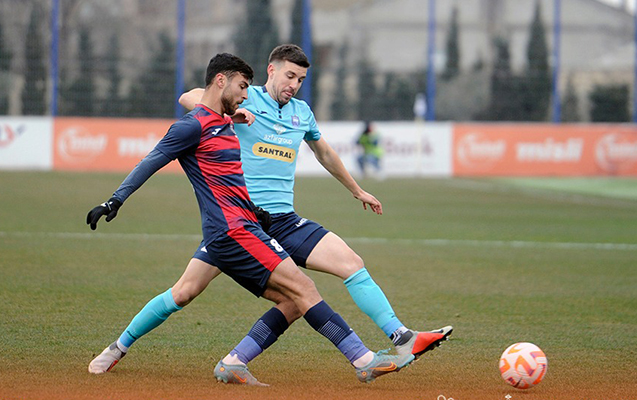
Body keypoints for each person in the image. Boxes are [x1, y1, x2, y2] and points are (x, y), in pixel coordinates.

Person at [90, 45, 452, 385]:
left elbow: (324, 152)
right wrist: (230, 111)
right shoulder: (242, 97)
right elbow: (191, 99)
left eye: (301, 79)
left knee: (342, 269)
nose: (294, 85)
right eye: (289, 76)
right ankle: (118, 347)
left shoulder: (301, 112)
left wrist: (356, 190)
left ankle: (399, 337)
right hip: (237, 224)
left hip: (279, 221)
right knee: (184, 292)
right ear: (271, 71)